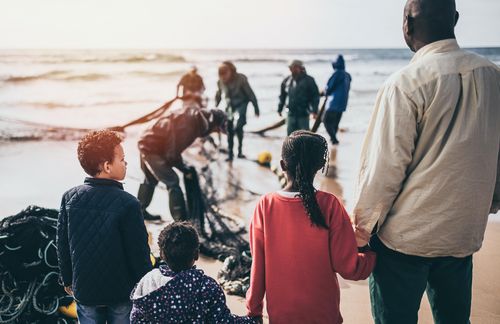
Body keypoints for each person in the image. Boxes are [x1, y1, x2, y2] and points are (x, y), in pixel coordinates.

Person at [352, 1, 500, 323]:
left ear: (406, 24)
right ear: (455, 20)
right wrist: (488, 204)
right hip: (462, 234)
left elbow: (384, 172)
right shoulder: (493, 76)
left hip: (405, 240)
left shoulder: (405, 84)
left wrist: (360, 234)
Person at [246, 130, 376, 323]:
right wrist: (370, 255)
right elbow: (348, 267)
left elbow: (258, 267)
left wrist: (254, 310)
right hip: (324, 315)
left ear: (282, 165)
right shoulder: (331, 205)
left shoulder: (265, 205)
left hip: (282, 316)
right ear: (320, 166)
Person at [57, 130, 152, 324]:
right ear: (107, 166)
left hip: (85, 289)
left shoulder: (69, 198)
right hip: (121, 292)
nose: (126, 163)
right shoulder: (129, 204)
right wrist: (146, 286)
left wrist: (67, 278)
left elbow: (63, 244)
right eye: (122, 159)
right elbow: (138, 251)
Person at [130, 222, 259, 323]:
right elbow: (223, 321)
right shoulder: (206, 287)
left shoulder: (146, 281)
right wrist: (251, 321)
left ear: (162, 255)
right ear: (196, 254)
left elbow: (135, 319)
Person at [137, 105, 226, 221]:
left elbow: (172, 148)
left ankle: (139, 213)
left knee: (150, 179)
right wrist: (184, 169)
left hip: (147, 140)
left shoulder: (195, 116)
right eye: (217, 129)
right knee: (173, 181)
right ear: (212, 122)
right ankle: (180, 222)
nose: (215, 132)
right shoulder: (190, 126)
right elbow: (172, 154)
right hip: (151, 148)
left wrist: (182, 166)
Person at [215, 61, 260, 161]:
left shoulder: (241, 78)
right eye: (221, 75)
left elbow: (250, 93)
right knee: (229, 129)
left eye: (225, 74)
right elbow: (218, 94)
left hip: (241, 104)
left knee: (239, 125)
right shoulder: (220, 81)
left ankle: (239, 151)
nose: (223, 78)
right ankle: (230, 155)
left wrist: (256, 108)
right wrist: (215, 106)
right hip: (229, 106)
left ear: (230, 71)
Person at [278, 60, 320, 135]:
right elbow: (282, 96)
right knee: (290, 138)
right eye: (290, 67)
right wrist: (280, 108)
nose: (291, 69)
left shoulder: (309, 80)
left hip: (303, 114)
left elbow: (315, 96)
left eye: (293, 67)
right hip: (290, 114)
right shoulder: (287, 80)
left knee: (304, 137)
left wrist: (315, 111)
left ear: (300, 68)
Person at [322, 55, 352, 145]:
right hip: (343, 103)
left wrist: (324, 92)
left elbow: (329, 88)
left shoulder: (336, 73)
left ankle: (334, 139)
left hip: (333, 103)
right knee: (335, 123)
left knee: (326, 120)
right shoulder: (347, 75)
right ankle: (333, 139)